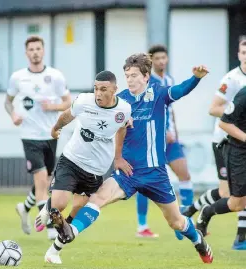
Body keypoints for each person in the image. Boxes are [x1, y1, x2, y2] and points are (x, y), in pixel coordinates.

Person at [40, 53, 213, 265]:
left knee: (176, 222)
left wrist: (196, 78)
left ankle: (198, 241)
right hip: (128, 172)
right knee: (97, 200)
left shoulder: (159, 94)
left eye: (133, 75)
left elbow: (180, 90)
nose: (129, 80)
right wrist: (117, 158)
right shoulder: (121, 102)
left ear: (146, 76)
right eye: (126, 75)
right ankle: (66, 236)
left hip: (156, 173)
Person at [34, 70, 132, 250]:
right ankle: (49, 209)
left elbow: (122, 129)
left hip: (95, 171)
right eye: (96, 88)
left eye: (103, 89)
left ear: (115, 90)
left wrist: (118, 158)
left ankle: (63, 229)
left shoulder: (124, 109)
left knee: (78, 209)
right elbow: (66, 115)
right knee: (59, 205)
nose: (98, 94)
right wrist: (56, 128)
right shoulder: (84, 101)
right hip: (72, 161)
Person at [4, 36, 71, 239]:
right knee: (42, 180)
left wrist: (53, 106)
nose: (35, 52)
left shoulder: (55, 76)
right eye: (31, 49)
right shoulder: (17, 78)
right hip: (29, 135)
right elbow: (8, 102)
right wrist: (13, 114)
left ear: (43, 51)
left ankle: (25, 208)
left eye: (38, 49)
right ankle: (50, 227)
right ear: (26, 53)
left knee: (45, 181)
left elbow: (68, 103)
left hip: (51, 134)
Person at [183, 40, 246, 249]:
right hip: (225, 140)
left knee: (234, 194)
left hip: (237, 139)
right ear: (238, 54)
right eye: (244, 52)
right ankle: (199, 211)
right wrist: (236, 113)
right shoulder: (232, 80)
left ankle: (240, 237)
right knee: (230, 195)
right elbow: (214, 109)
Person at [135, 45, 193, 238]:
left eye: (163, 58)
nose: (161, 61)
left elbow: (170, 110)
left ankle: (187, 218)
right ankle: (142, 226)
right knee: (143, 182)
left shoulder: (169, 80)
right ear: (152, 61)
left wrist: (173, 131)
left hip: (170, 141)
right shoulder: (147, 82)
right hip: (152, 141)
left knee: (184, 175)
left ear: (167, 59)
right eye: (157, 58)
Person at [196, 86, 246, 250]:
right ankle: (207, 211)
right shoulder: (244, 94)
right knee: (237, 204)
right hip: (239, 152)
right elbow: (224, 123)